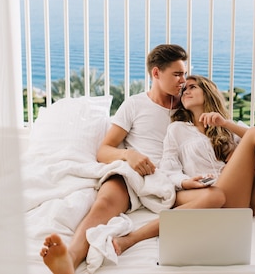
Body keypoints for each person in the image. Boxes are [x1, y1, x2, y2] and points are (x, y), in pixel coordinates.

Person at [39, 45, 224, 274]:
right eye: (177, 74)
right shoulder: (135, 104)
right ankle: (70, 257)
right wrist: (129, 154)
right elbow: (104, 150)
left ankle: (132, 237)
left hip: (171, 181)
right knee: (104, 203)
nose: (183, 81)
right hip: (135, 175)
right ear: (156, 73)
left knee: (214, 198)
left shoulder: (187, 105)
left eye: (184, 74)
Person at [110, 75, 255, 255]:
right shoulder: (177, 129)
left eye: (192, 87)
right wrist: (186, 182)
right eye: (184, 89)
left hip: (249, 199)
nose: (185, 91)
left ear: (207, 92)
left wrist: (225, 124)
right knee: (254, 135)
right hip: (222, 197)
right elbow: (169, 169)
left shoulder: (225, 127)